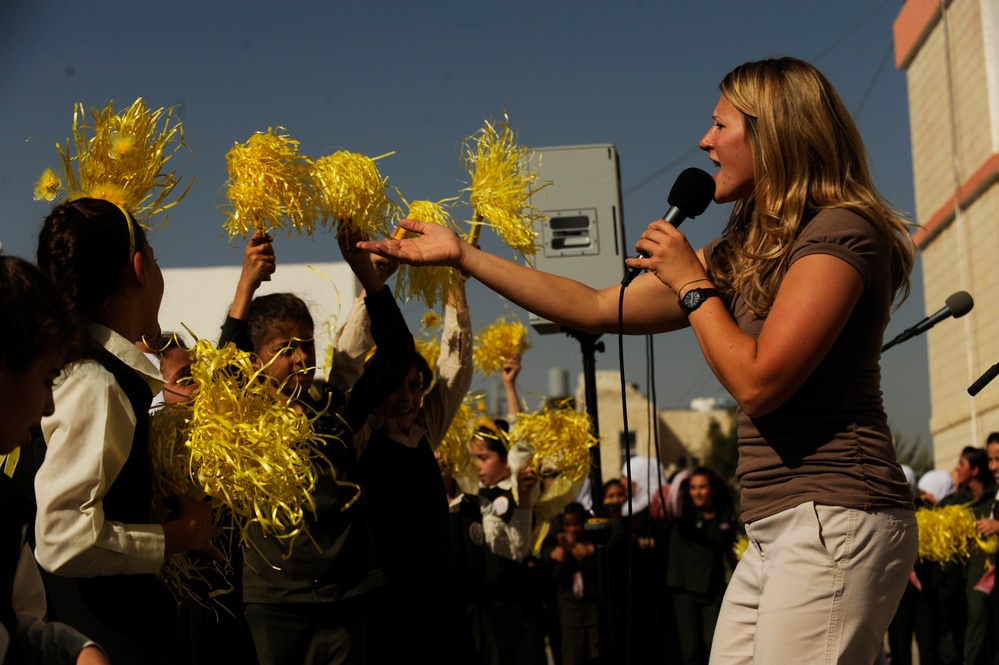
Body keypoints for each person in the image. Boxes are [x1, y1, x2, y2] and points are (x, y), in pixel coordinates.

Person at [358, 56, 918, 663]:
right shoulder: (746, 250)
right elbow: (597, 306)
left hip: (836, 513)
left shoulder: (841, 231)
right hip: (776, 524)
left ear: (774, 132)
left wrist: (690, 282)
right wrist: (463, 256)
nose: (704, 141)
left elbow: (759, 381)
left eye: (721, 126)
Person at [33, 198, 221, 663]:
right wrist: (184, 533)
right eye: (156, 259)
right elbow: (63, 540)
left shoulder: (88, 372)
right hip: (101, 640)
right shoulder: (96, 383)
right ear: (140, 268)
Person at [217, 231, 412, 665]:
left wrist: (367, 275)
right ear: (254, 359)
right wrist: (247, 283)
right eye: (285, 348)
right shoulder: (242, 418)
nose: (302, 357)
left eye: (307, 344)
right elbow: (221, 377)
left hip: (346, 598)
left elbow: (396, 355)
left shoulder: (334, 410)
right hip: (275, 604)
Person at [336, 276, 476, 663]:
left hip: (436, 598)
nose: (408, 398)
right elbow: (345, 366)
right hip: (384, 605)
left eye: (415, 386)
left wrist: (454, 287)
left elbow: (456, 369)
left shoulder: (423, 431)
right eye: (395, 387)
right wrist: (370, 279)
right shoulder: (359, 436)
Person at [0, 252, 109, 665]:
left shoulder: (7, 506)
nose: (48, 407)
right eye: (46, 380)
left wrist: (77, 651)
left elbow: (18, 624)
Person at [664, 467, 739, 665]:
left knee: (714, 645)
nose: (697, 492)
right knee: (691, 650)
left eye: (702, 487)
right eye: (693, 487)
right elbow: (671, 499)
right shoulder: (684, 511)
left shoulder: (723, 514)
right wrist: (682, 476)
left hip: (712, 590)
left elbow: (729, 548)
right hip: (685, 589)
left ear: (713, 490)